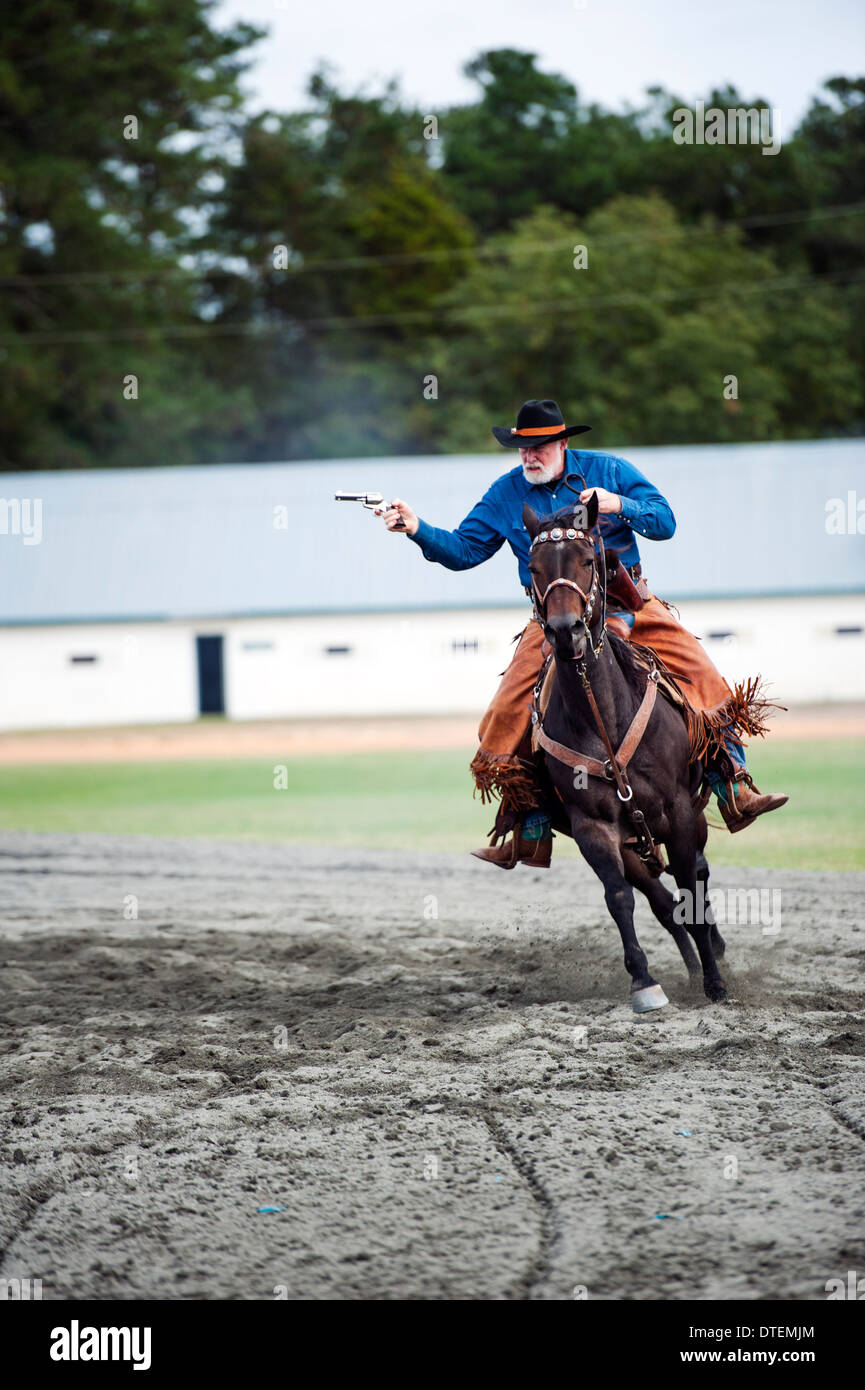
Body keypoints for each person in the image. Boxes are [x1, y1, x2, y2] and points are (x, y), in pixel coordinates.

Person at [378, 399, 787, 869]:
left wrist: (619, 504)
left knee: (701, 672)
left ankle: (733, 785)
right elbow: (464, 550)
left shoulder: (609, 470)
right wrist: (417, 529)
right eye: (522, 448)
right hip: (554, 617)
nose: (530, 456)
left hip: (628, 600)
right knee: (504, 712)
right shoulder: (505, 494)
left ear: (563, 443)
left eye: (540, 446)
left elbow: (665, 522)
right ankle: (528, 826)